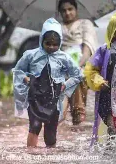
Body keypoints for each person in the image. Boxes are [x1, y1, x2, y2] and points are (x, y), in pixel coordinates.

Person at [13, 18, 83, 147]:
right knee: (34, 126)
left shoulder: (64, 57)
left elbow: (78, 75)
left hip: (53, 100)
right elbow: (18, 70)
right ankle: (31, 155)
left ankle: (50, 157)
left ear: (60, 42)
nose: (51, 47)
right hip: (35, 98)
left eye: (55, 44)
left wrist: (65, 85)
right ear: (41, 41)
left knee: (50, 134)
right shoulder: (31, 55)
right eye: (48, 44)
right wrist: (26, 78)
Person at [84, 12, 116, 143]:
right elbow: (91, 70)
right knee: (113, 127)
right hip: (108, 97)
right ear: (113, 31)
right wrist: (99, 81)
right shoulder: (104, 51)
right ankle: (110, 153)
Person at [59, 0, 98, 125]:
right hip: (61, 67)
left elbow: (88, 48)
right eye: (63, 10)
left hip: (83, 64)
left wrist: (77, 66)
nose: (67, 13)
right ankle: (76, 117)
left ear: (76, 10)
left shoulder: (85, 24)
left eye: (70, 9)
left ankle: (77, 117)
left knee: (76, 77)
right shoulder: (57, 27)